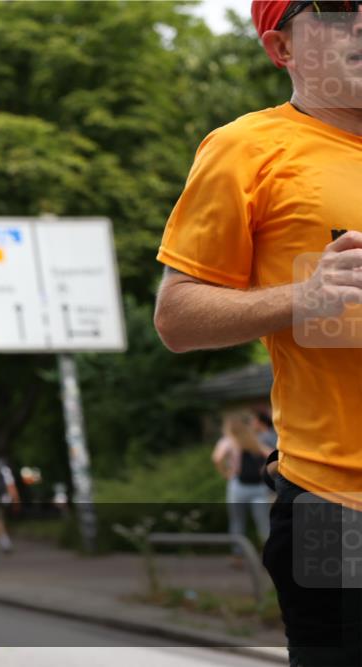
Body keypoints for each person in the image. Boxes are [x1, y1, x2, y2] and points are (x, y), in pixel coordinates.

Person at [155, 3, 362, 663]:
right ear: (282, 47)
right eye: (337, 9)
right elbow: (177, 316)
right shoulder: (248, 148)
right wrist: (306, 296)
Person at [212, 412, 274, 561]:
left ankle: (237, 556)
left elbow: (217, 458)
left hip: (238, 486)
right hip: (259, 488)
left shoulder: (227, 442)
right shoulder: (254, 440)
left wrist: (226, 473)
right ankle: (270, 556)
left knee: (237, 521)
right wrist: (264, 471)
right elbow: (273, 456)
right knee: (264, 524)